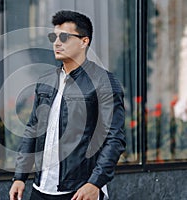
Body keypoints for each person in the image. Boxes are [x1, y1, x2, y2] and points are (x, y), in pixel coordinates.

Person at [9, 10, 126, 200]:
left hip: (79, 191)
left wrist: (94, 183)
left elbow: (114, 139)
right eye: (53, 37)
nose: (56, 42)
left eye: (64, 37)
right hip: (41, 188)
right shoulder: (45, 81)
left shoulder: (103, 82)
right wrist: (20, 177)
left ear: (84, 41)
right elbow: (32, 130)